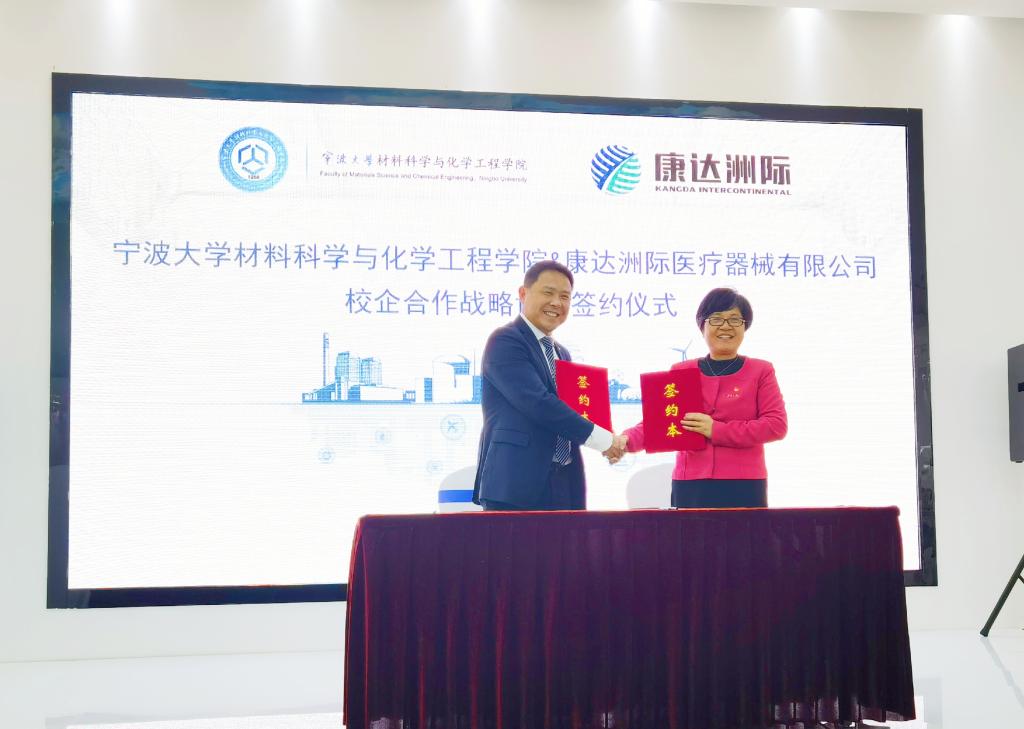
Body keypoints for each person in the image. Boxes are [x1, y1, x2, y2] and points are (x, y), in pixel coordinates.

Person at [611, 287, 787, 508]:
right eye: (716, 319)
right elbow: (658, 424)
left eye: (735, 319)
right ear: (702, 326)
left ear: (745, 327)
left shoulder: (761, 371)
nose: (726, 326)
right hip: (690, 483)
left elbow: (776, 425)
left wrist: (716, 430)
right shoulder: (681, 371)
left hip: (744, 483)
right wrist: (625, 440)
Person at [473, 260, 623, 511]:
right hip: (515, 484)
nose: (556, 303)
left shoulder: (562, 353)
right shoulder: (505, 340)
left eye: (565, 297)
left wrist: (608, 436)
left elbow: (572, 412)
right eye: (548, 292)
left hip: (564, 481)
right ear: (523, 293)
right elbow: (538, 403)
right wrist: (604, 440)